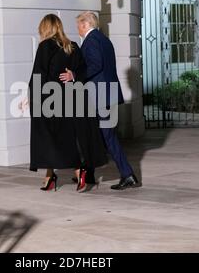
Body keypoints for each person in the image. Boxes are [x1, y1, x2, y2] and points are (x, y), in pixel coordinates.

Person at [60, 11, 142, 190]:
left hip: (100, 96)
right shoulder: (104, 40)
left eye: (78, 25)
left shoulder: (92, 41)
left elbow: (95, 65)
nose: (78, 29)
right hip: (106, 95)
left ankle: (127, 175)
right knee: (94, 134)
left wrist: (74, 75)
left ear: (85, 24)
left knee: (107, 136)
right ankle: (88, 174)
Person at [29, 14, 107, 191]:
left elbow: (38, 74)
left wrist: (32, 96)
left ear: (45, 28)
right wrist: (73, 77)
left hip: (50, 100)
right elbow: (83, 71)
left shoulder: (45, 46)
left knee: (47, 136)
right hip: (72, 99)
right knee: (70, 137)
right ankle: (78, 173)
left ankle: (50, 177)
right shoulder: (73, 46)